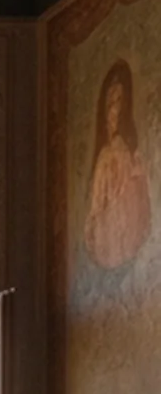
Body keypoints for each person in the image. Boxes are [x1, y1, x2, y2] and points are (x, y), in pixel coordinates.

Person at [84, 58, 151, 272]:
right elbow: (95, 210)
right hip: (107, 246)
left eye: (119, 102)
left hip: (128, 243)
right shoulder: (105, 156)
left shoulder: (132, 155)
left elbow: (143, 209)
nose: (113, 111)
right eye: (110, 103)